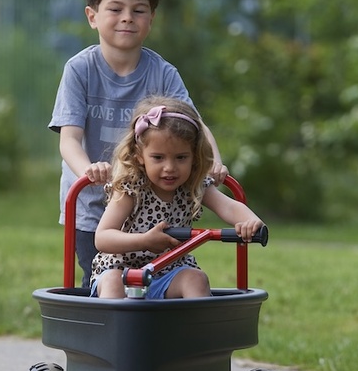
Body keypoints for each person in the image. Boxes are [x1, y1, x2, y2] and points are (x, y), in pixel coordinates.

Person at [49, 0, 228, 288]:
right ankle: (111, 337)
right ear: (93, 16)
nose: (127, 18)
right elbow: (69, 139)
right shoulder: (80, 70)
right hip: (95, 208)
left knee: (159, 281)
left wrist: (213, 160)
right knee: (105, 280)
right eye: (115, 9)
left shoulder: (162, 72)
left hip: (151, 205)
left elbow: (195, 125)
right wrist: (90, 170)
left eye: (139, 10)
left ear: (151, 19)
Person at [90, 96, 265, 299]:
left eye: (181, 157)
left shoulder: (192, 184)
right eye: (158, 157)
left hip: (168, 273)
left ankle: (196, 330)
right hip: (123, 271)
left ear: (194, 156)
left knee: (196, 279)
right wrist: (145, 241)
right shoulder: (131, 187)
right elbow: (103, 237)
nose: (170, 168)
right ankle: (117, 330)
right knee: (112, 281)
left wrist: (250, 222)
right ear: (139, 155)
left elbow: (229, 208)